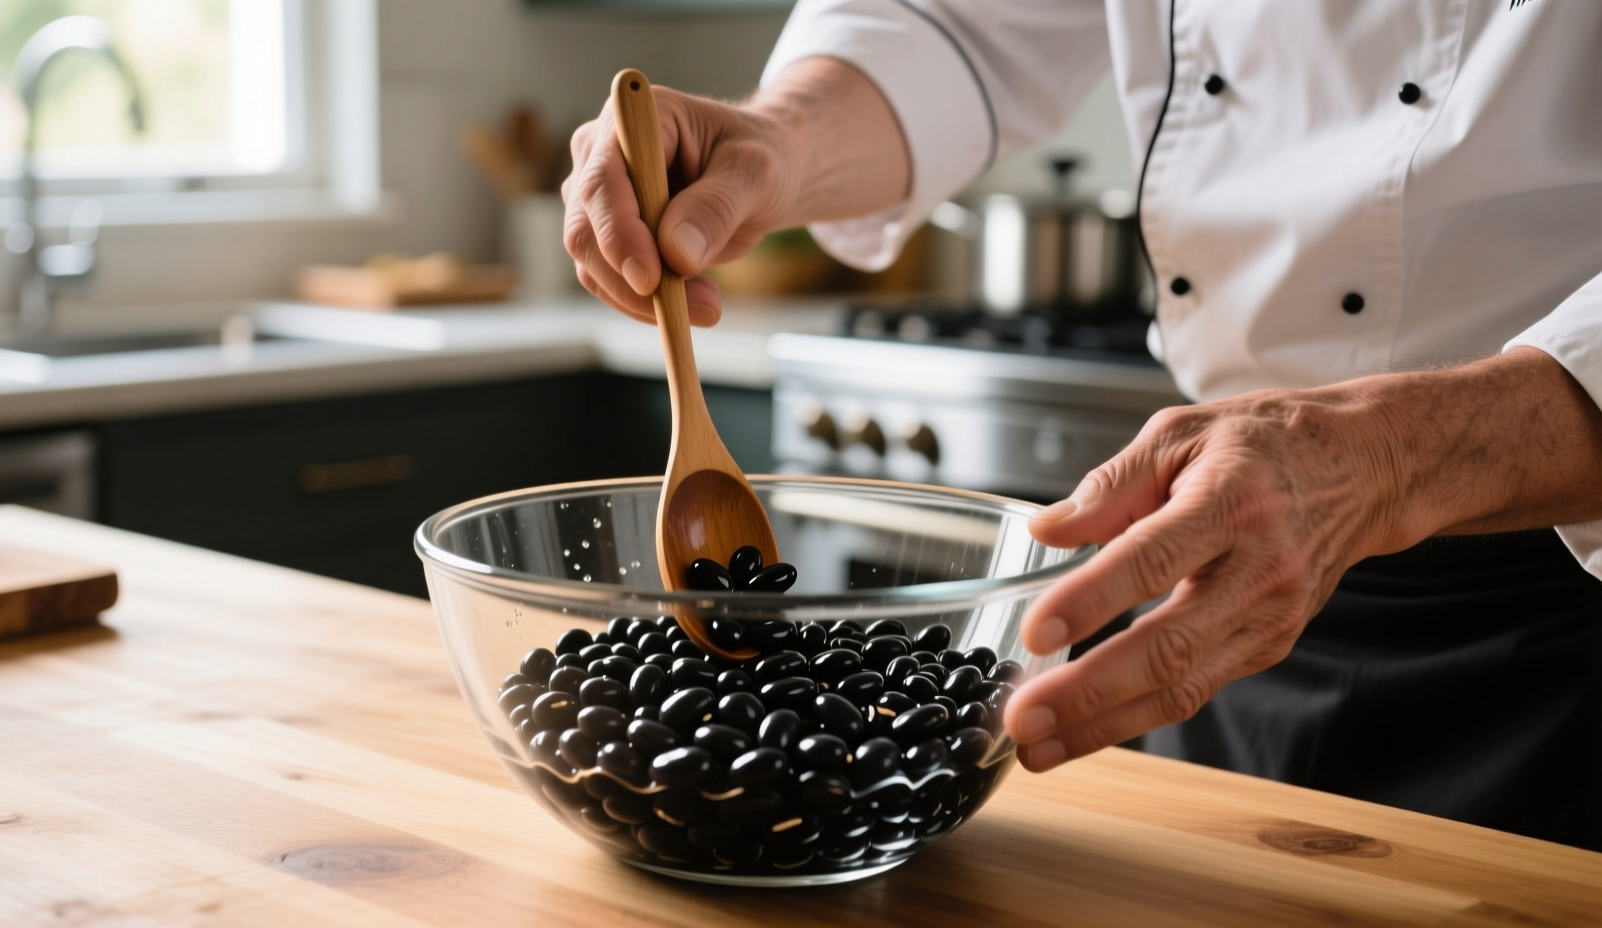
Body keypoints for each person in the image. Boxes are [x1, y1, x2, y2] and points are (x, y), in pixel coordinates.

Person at [561, 1, 1602, 849]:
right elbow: (959, 24)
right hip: (1220, 576)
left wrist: (1382, 454)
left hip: (1562, 611)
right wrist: (782, 137)